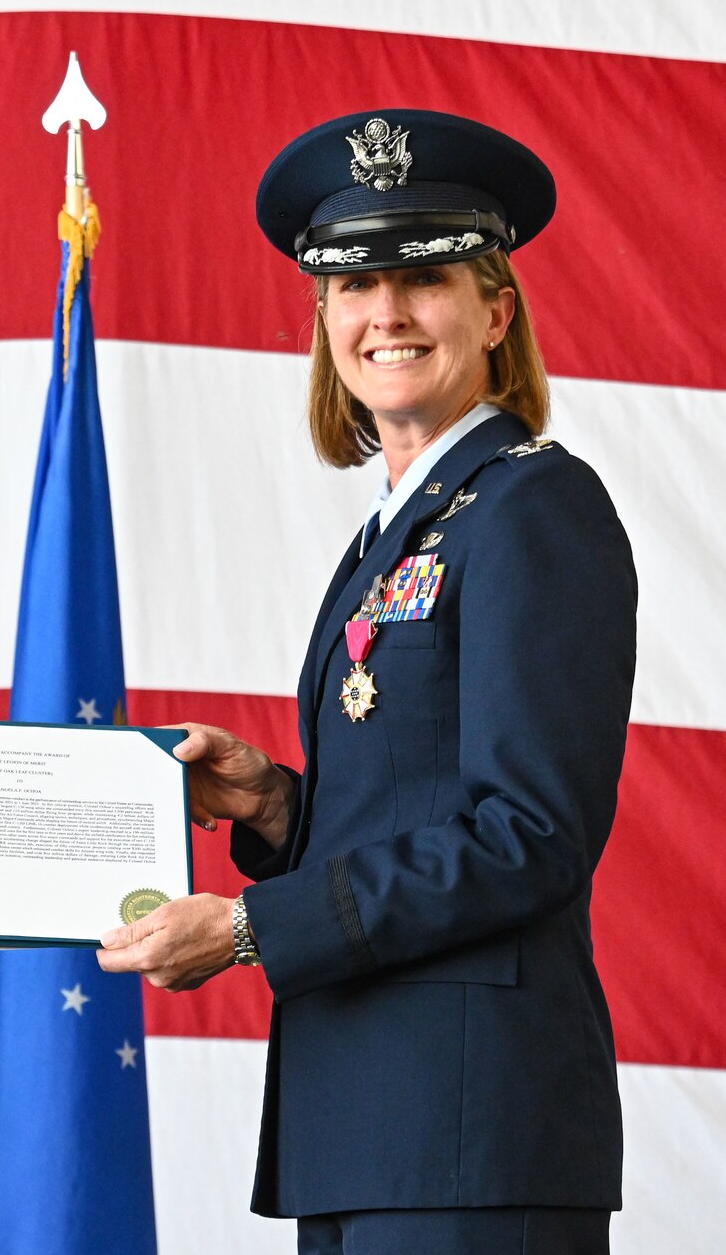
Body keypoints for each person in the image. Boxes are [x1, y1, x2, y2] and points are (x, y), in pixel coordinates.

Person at [98, 110, 636, 1253]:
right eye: (350, 286)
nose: (382, 313)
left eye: (421, 278)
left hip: (470, 1136)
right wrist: (276, 806)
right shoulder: (398, 532)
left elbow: (528, 834)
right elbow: (415, 799)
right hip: (369, 1125)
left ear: (494, 311)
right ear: (323, 320)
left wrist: (247, 927)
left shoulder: (534, 508)